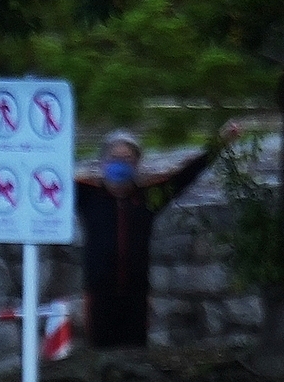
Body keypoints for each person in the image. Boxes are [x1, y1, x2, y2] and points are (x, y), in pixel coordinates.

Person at [73, 125, 232, 349]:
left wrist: (220, 143)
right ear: (103, 162)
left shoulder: (149, 196)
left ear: (136, 164)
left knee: (135, 352)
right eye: (114, 158)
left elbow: (186, 174)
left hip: (136, 294)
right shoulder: (87, 194)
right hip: (99, 293)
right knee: (100, 352)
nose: (120, 164)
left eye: (127, 159)